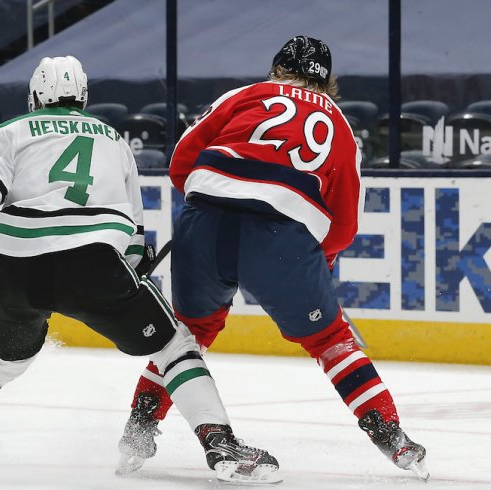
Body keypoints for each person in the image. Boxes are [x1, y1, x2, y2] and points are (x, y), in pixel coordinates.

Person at [0, 56, 281, 484]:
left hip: (17, 273)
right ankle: (219, 443)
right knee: (174, 346)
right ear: (85, 97)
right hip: (93, 267)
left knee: (3, 360)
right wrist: (131, 271)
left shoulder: (10, 132)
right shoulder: (113, 139)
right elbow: (132, 233)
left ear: (35, 96)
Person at [116, 35, 429, 480]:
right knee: (330, 341)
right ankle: (391, 437)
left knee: (185, 335)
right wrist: (319, 259)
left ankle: (138, 431)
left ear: (277, 67)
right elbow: (344, 223)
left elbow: (181, 161)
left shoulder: (245, 95)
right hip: (281, 238)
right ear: (329, 82)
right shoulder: (339, 125)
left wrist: (211, 212)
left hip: (203, 219)